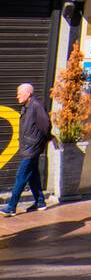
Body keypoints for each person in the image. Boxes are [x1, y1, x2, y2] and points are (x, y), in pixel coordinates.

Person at [1, 84, 52, 217]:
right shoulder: (27, 106)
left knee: (21, 176)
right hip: (29, 146)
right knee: (33, 175)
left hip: (32, 148)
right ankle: (40, 202)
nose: (17, 96)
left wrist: (41, 140)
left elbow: (46, 125)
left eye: (19, 93)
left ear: (28, 94)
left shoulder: (36, 106)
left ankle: (12, 206)